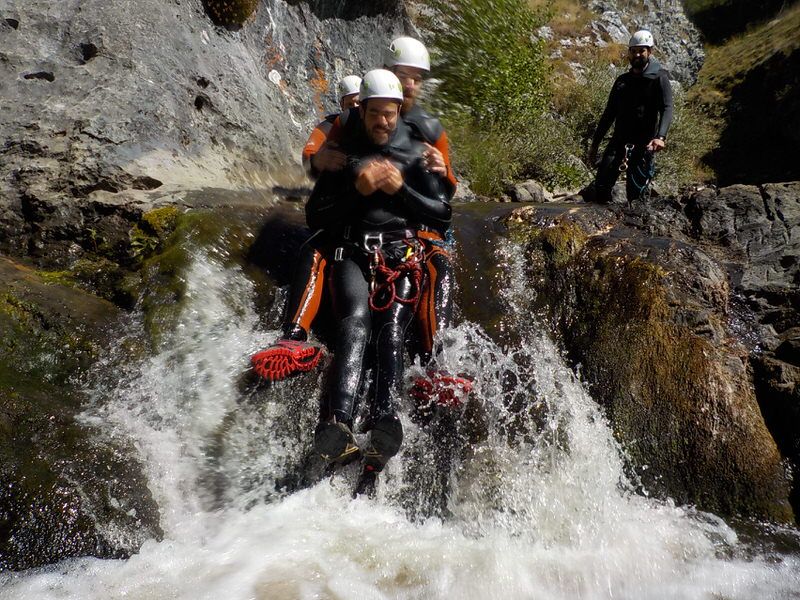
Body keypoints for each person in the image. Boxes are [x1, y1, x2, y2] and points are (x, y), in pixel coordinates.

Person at [305, 69, 451, 474]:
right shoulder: (341, 156)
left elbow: (443, 214)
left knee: (391, 329)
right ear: (363, 110)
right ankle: (337, 424)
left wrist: (401, 190)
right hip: (352, 251)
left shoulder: (417, 153)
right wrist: (358, 190)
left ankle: (385, 418)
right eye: (375, 114)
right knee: (355, 323)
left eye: (390, 113)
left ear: (399, 111)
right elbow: (315, 214)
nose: (383, 122)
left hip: (401, 254)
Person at [586, 30, 673, 204]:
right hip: (618, 142)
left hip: (643, 144)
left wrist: (660, 137)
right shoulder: (622, 81)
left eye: (641, 51)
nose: (637, 55)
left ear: (650, 52)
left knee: (636, 196)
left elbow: (667, 107)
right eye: (633, 51)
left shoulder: (660, 78)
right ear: (629, 53)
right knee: (601, 188)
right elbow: (608, 114)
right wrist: (595, 145)